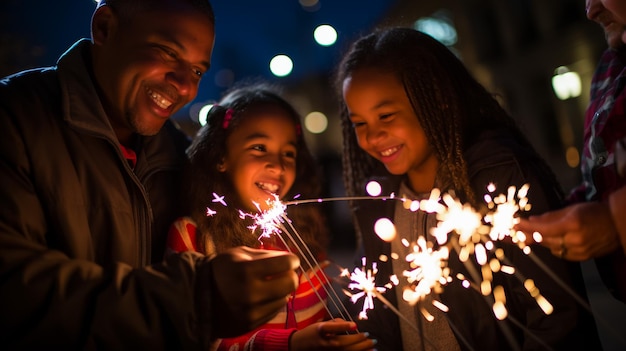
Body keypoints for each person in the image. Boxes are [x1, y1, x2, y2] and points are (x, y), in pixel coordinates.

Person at [0, 0, 300, 349]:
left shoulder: (180, 157)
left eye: (198, 71)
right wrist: (196, 298)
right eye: (168, 52)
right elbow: (14, 296)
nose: (185, 86)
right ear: (105, 28)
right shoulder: (15, 121)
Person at [334, 27, 603, 350]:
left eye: (386, 116)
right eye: (359, 123)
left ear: (435, 100)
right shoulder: (377, 203)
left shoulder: (497, 178)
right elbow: (373, 312)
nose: (373, 137)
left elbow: (557, 315)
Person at [166, 82, 376, 351]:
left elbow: (316, 322)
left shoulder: (302, 236)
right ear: (221, 157)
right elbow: (188, 339)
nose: (277, 165)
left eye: (288, 153)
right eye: (259, 147)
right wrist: (290, 345)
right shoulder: (193, 237)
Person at [516, 0, 626, 303]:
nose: (591, 11)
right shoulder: (610, 70)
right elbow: (600, 182)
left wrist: (616, 221)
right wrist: (546, 217)